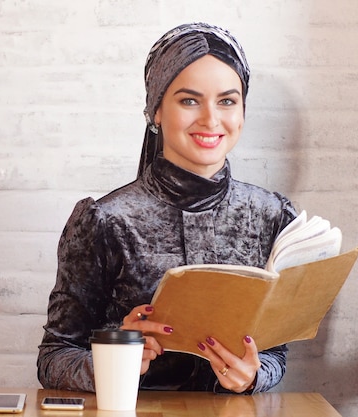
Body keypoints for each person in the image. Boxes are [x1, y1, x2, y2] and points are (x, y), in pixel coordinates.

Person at [37, 22, 298, 395]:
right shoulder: (105, 220)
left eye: (227, 100)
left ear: (242, 110)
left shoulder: (272, 216)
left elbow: (275, 351)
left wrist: (255, 374)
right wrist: (117, 356)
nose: (211, 119)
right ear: (156, 110)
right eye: (189, 100)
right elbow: (54, 357)